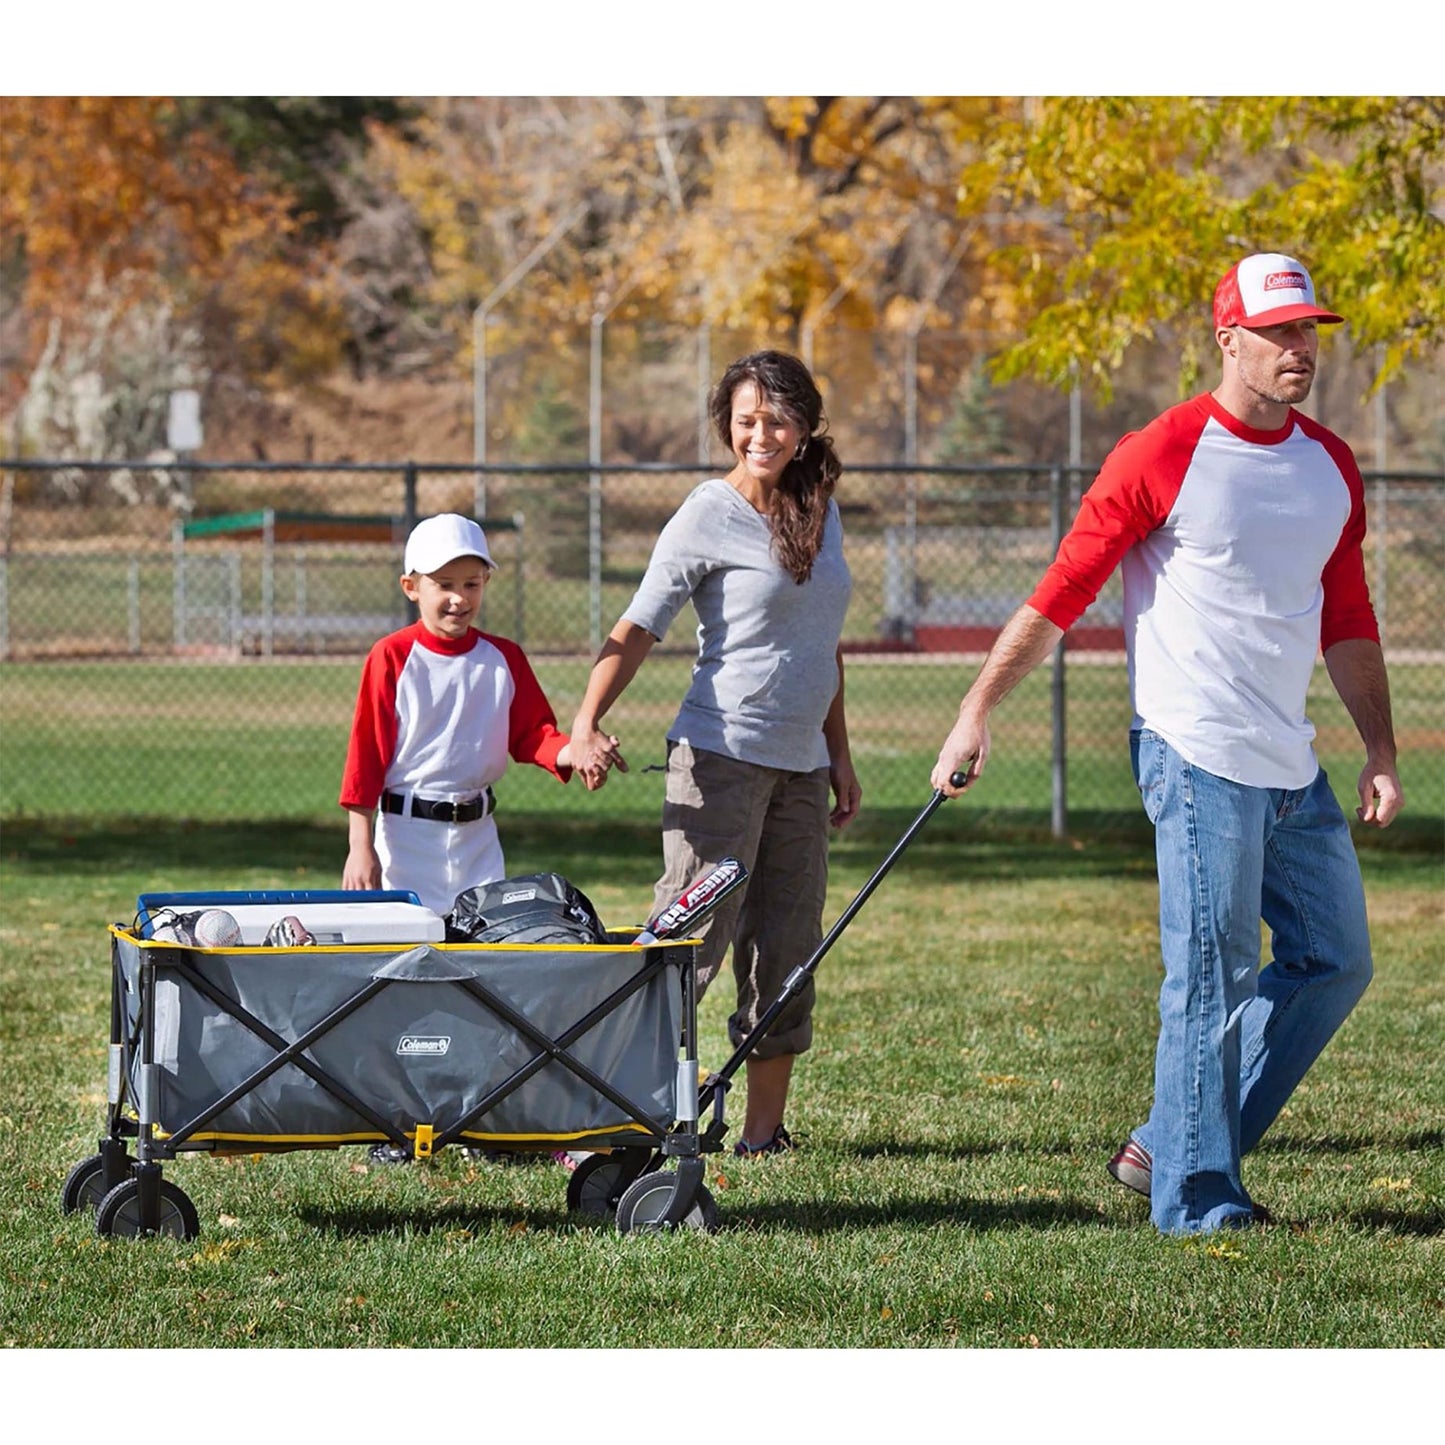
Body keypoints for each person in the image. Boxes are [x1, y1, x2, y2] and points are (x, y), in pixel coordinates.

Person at [930, 253, 1404, 1235]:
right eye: (1276, 331)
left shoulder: (1328, 465)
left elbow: (1346, 612)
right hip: (1191, 751)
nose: (1296, 348)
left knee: (1335, 958)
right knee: (1211, 973)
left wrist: (1379, 745)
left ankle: (1167, 1138)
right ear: (1225, 338)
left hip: (1289, 759)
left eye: (1306, 330)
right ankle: (1194, 1195)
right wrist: (975, 707)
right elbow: (1061, 591)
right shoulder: (1162, 450)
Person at [568, 350, 862, 1158]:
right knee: (688, 950)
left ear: (804, 425)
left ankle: (763, 1136)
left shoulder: (821, 509)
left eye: (776, 418)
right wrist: (585, 720)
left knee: (787, 955)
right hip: (719, 759)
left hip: (801, 768)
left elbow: (822, 647)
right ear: (727, 426)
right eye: (746, 420)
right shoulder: (706, 512)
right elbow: (637, 626)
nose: (760, 433)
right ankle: (617, 1121)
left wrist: (837, 755)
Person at [340, 511, 616, 1166]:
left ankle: (493, 1116)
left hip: (476, 839)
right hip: (404, 837)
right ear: (411, 586)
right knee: (404, 980)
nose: (458, 597)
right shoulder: (391, 658)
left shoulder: (503, 659)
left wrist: (571, 754)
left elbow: (533, 735)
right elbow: (366, 756)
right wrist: (361, 842)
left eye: (472, 582)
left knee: (487, 973)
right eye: (443, 584)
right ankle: (399, 1123)